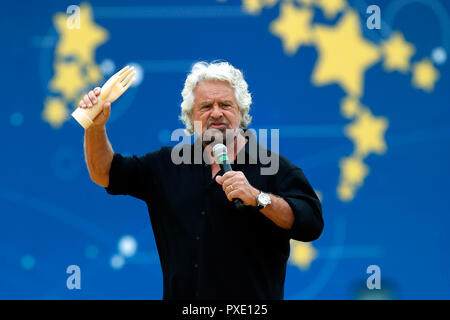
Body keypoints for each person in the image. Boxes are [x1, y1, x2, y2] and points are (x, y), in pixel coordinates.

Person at [80, 61, 323, 300]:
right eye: (206, 106)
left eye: (225, 105)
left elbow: (310, 224)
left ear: (241, 112)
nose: (216, 113)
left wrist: (259, 198)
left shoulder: (276, 168)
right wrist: (94, 125)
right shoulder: (167, 165)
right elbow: (104, 173)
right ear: (191, 117)